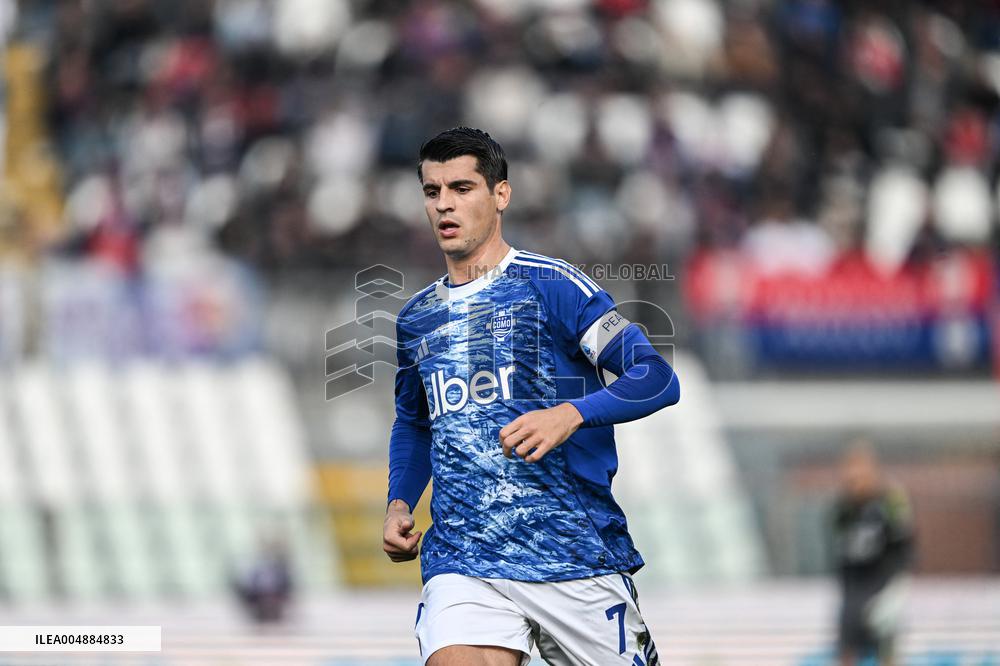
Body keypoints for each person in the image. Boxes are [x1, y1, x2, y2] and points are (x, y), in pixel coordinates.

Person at [382, 127, 680, 666]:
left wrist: (572, 414)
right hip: (464, 560)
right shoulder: (416, 321)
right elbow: (416, 424)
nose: (445, 204)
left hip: (573, 557)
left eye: (462, 188)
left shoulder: (555, 286)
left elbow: (656, 375)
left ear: (501, 195)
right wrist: (399, 502)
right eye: (432, 191)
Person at [832, 440, 915, 666]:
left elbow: (905, 544)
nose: (854, 476)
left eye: (860, 468)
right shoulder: (843, 506)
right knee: (846, 650)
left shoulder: (889, 502)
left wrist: (897, 586)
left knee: (885, 650)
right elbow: (839, 550)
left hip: (881, 585)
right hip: (853, 590)